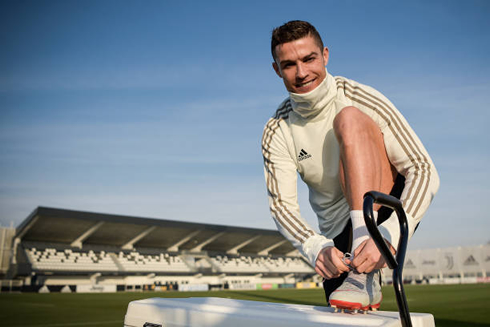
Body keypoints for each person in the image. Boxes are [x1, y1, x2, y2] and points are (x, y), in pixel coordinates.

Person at [262, 20, 440, 311]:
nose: (302, 72)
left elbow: (422, 168)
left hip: (382, 210)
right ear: (277, 70)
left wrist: (390, 233)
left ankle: (366, 253)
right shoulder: (278, 128)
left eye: (309, 59)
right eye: (289, 64)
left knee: (349, 118)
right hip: (337, 237)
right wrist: (315, 247)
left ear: (326, 55)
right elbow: (282, 206)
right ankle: (357, 264)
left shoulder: (360, 96)